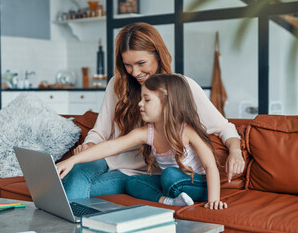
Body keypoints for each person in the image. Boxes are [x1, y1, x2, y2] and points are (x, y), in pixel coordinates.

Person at [61, 22, 244, 200]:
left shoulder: (181, 88)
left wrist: (235, 152)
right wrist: (90, 145)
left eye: (141, 63)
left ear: (158, 55)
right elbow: (101, 133)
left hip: (142, 174)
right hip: (107, 158)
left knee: (78, 189)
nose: (135, 72)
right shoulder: (117, 85)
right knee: (75, 173)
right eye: (128, 65)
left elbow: (224, 128)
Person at [57, 73, 227, 209]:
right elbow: (110, 147)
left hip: (196, 185)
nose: (139, 104)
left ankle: (174, 195)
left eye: (146, 99)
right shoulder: (147, 132)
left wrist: (214, 200)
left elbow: (210, 166)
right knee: (132, 182)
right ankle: (169, 202)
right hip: (168, 185)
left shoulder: (186, 131)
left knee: (169, 175)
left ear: (167, 104)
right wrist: (73, 159)